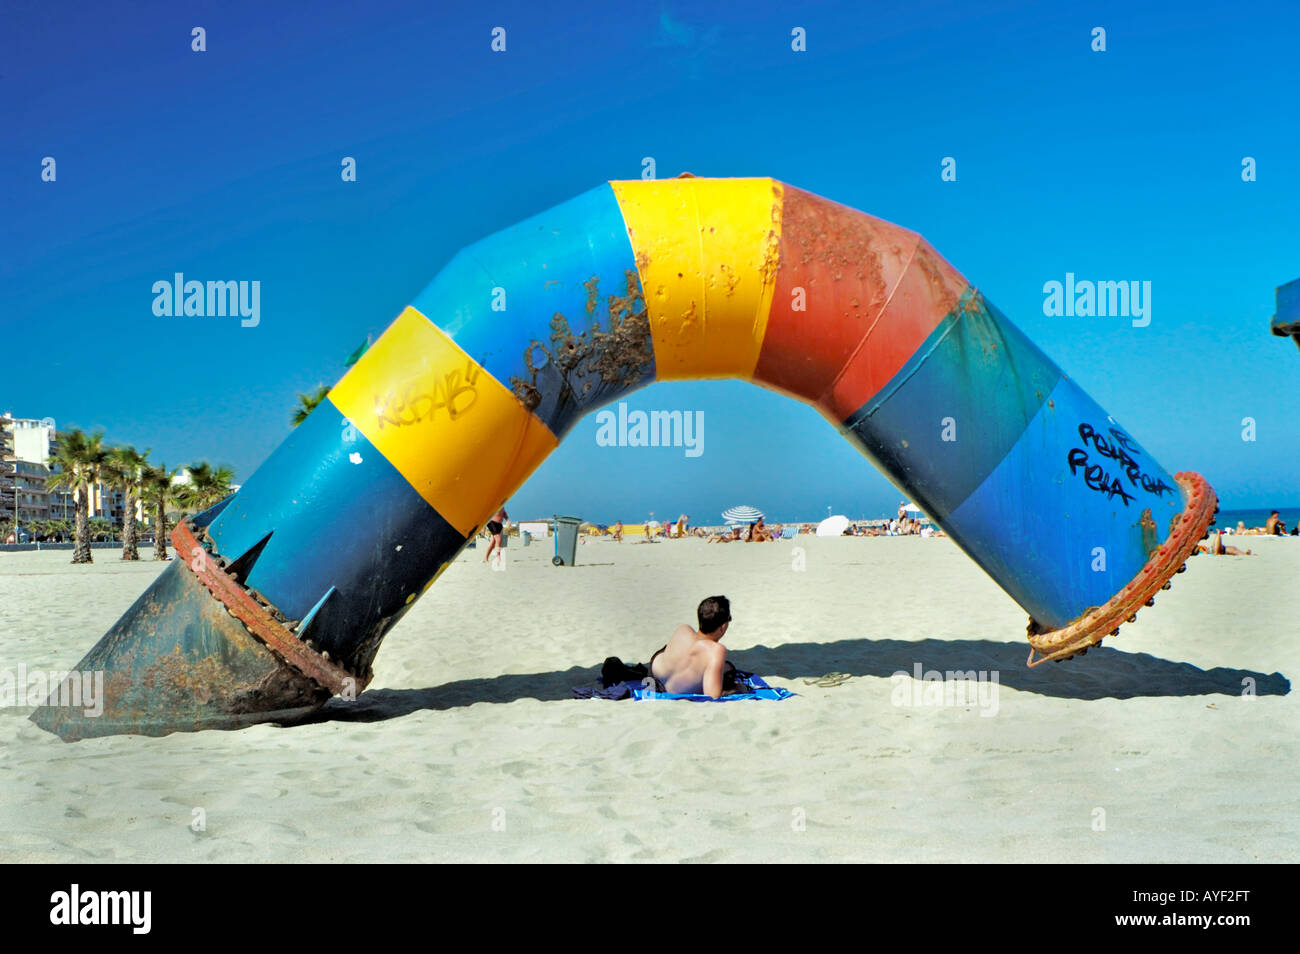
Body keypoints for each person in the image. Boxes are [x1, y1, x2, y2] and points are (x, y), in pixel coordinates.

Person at [649, 596, 734, 698]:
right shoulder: (716, 650)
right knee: (728, 669)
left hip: (653, 674)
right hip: (675, 691)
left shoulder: (683, 629)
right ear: (723, 626)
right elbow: (712, 696)